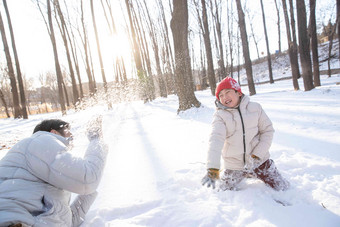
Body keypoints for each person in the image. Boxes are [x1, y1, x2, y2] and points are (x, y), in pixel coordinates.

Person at [0, 117, 108, 227]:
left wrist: (89, 192)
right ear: (54, 132)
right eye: (69, 138)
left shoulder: (40, 169)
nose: (71, 144)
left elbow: (67, 221)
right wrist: (96, 140)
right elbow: (88, 179)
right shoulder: (40, 141)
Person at [202, 77, 289, 191]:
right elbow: (215, 139)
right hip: (234, 165)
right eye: (221, 95)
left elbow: (267, 131)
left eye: (228, 92)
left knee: (282, 187)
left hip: (259, 160)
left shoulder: (255, 108)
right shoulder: (220, 116)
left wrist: (258, 154)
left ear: (238, 92)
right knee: (223, 192)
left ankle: (255, 172)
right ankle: (244, 174)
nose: (224, 97)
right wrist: (213, 167)